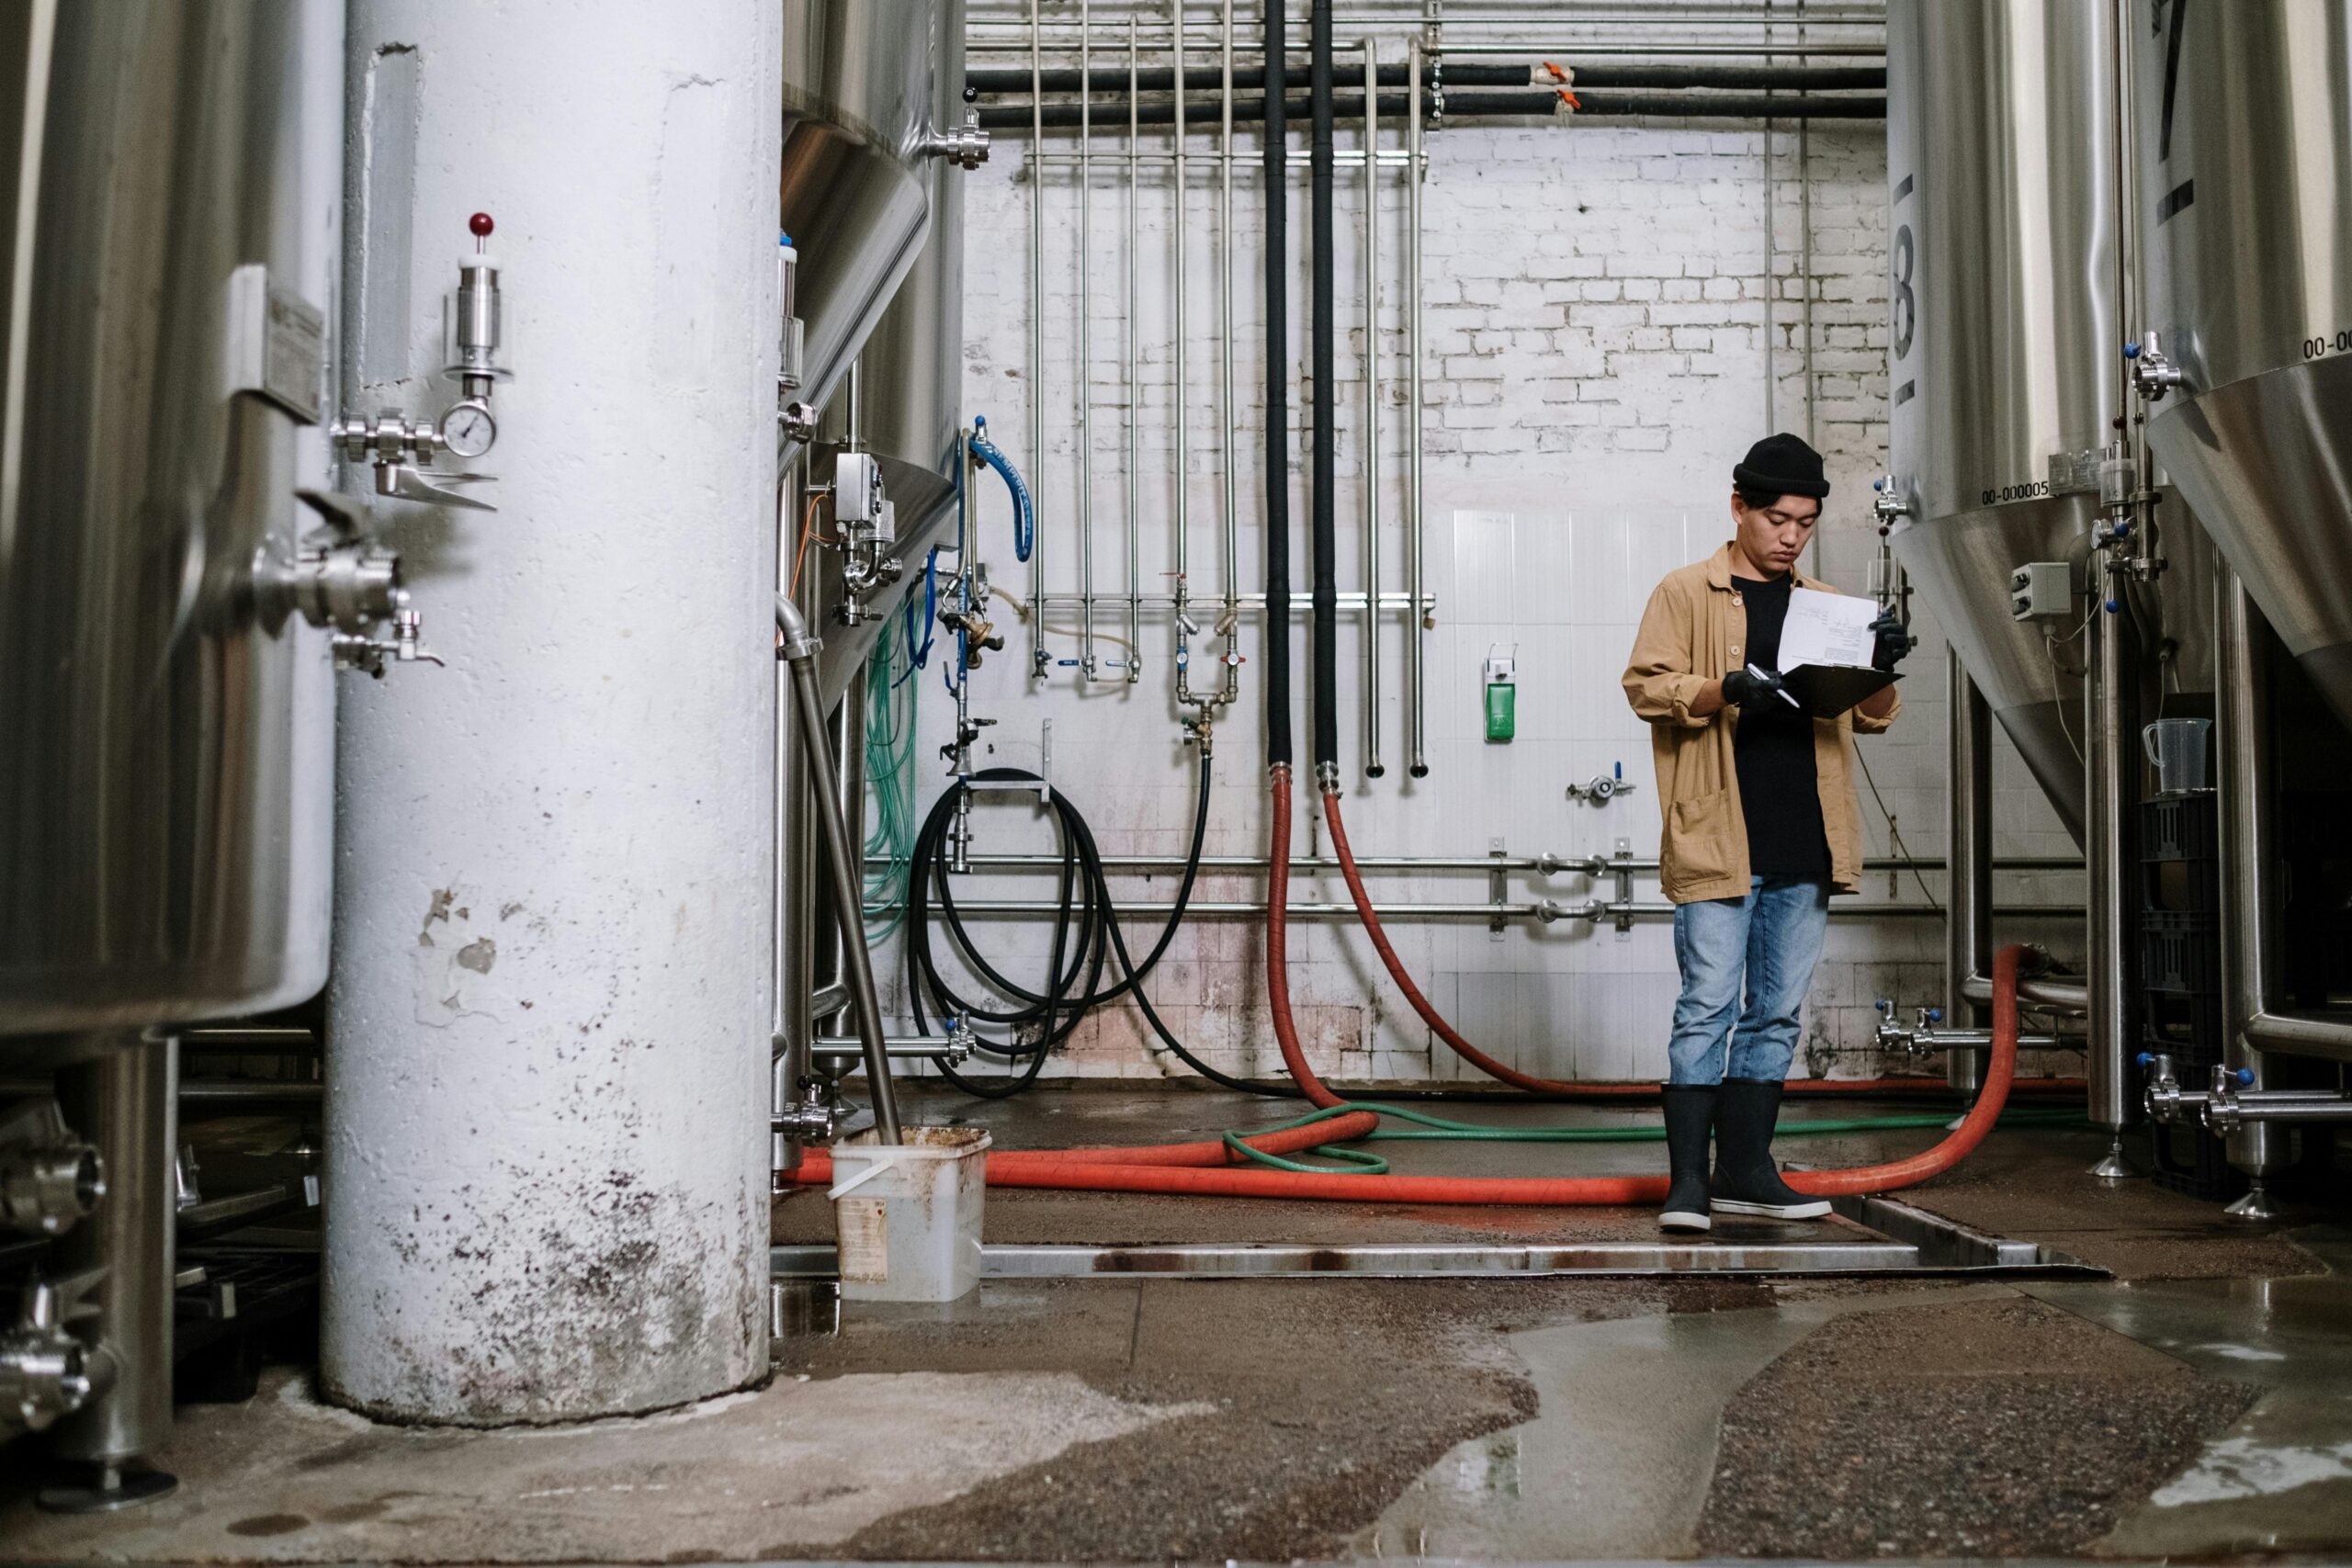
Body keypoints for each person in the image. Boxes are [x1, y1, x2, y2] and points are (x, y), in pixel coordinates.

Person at [1621, 433, 1909, 1233]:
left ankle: (1746, 1169)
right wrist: (1722, 688)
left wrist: (1882, 667)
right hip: (1719, 835)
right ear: (1740, 507)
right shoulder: (1686, 592)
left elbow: (1870, 720)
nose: (1791, 535)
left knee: (1776, 1014)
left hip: (1805, 837)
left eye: (1806, 522)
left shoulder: (1827, 606)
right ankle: (1688, 1182)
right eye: (1778, 517)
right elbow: (1645, 687)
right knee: (1707, 1004)